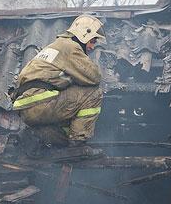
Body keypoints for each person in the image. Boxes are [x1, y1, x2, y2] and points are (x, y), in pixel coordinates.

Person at [11, 14, 104, 153]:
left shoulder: (55, 46)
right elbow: (94, 76)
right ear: (84, 34)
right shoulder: (70, 47)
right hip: (41, 101)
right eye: (92, 41)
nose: (92, 47)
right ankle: (78, 144)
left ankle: (42, 136)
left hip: (27, 107)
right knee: (94, 92)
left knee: (68, 124)